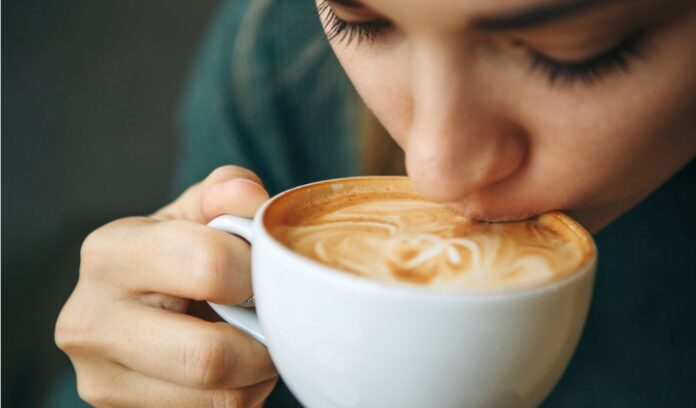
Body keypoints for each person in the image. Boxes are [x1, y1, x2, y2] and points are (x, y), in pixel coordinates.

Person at [52, 0, 695, 406]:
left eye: (571, 55)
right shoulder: (279, 55)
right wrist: (149, 365)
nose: (434, 168)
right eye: (359, 21)